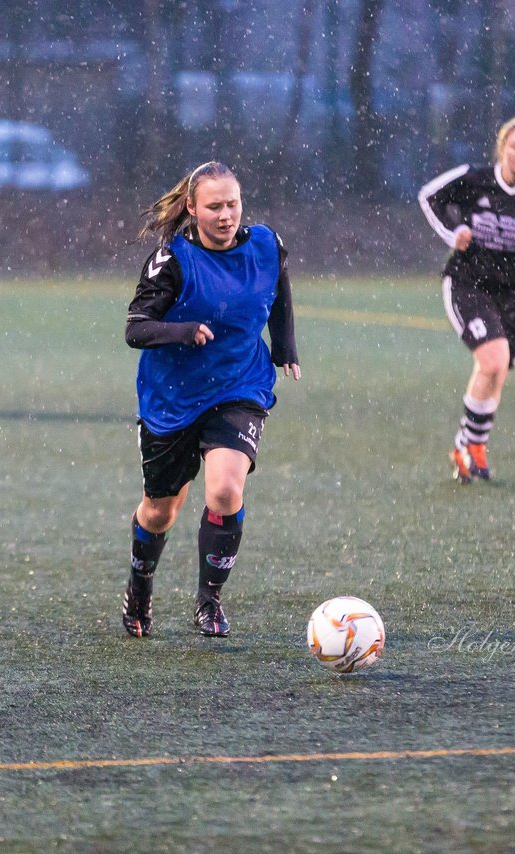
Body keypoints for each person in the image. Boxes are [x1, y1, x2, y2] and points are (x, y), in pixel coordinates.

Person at [122, 161, 300, 638]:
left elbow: (278, 286)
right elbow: (135, 328)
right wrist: (181, 331)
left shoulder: (266, 244)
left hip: (239, 386)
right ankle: (140, 585)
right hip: (172, 397)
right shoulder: (172, 260)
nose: (226, 215)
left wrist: (284, 348)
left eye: (233, 204)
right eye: (215, 206)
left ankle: (209, 600)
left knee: (225, 490)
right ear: (192, 208)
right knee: (160, 511)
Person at [418, 117, 515, 483]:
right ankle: (467, 443)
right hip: (468, 283)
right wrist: (453, 230)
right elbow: (429, 197)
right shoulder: (476, 180)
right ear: (502, 149)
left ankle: (471, 444)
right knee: (494, 359)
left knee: (496, 371)